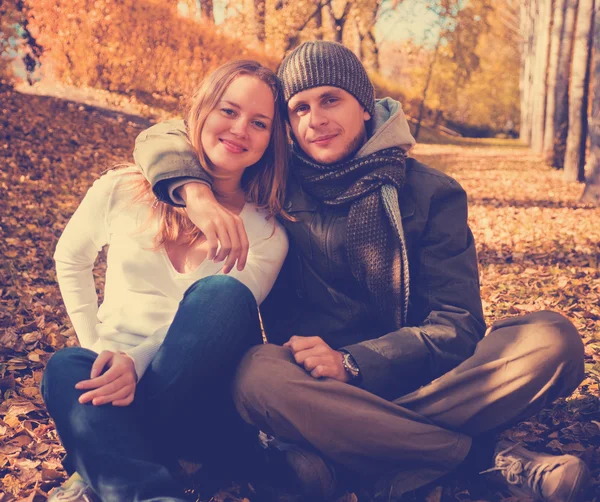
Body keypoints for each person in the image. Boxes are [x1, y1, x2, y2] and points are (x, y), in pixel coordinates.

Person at [133, 41, 589, 501]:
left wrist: (353, 363)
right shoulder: (273, 181)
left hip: (422, 375)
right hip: (309, 381)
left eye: (331, 99)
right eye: (300, 108)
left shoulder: (430, 193)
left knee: (553, 339)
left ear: (366, 107)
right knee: (257, 374)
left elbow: (459, 323)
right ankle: (483, 460)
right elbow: (164, 134)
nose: (316, 119)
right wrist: (196, 193)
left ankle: (355, 449)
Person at [42, 60, 289, 502]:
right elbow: (70, 257)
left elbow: (219, 322)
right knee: (65, 367)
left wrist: (135, 363)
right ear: (202, 110)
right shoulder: (122, 189)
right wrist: (99, 349)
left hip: (200, 400)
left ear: (272, 140)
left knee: (221, 294)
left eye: (259, 123)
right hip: (114, 386)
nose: (239, 129)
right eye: (228, 111)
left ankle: (99, 461)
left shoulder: (268, 233)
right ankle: (148, 491)